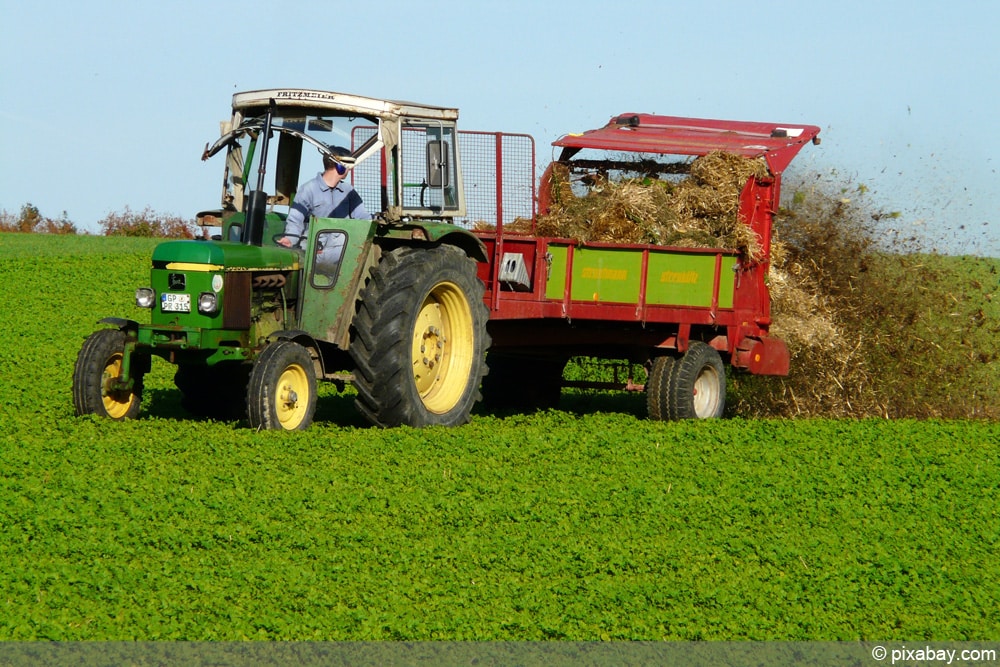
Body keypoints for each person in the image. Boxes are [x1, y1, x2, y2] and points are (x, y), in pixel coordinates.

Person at [277, 145, 369, 248]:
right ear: (340, 166)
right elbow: (295, 220)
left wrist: (374, 221)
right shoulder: (308, 189)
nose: (350, 169)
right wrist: (290, 239)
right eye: (348, 165)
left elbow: (362, 216)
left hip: (342, 253)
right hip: (314, 252)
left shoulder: (349, 191)